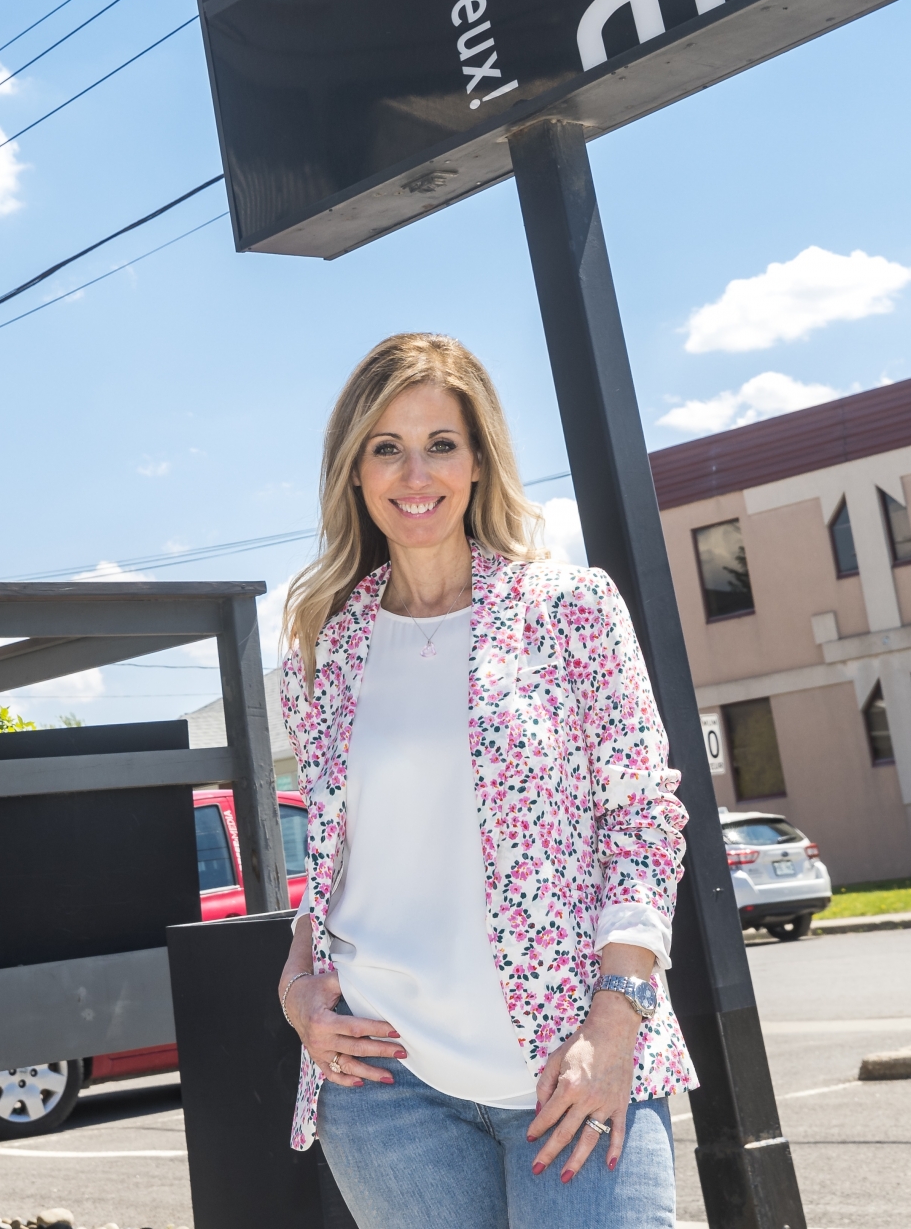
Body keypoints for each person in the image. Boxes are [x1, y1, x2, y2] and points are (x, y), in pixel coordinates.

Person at [273, 333, 693, 1229]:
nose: (413, 473)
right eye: (386, 447)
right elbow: (339, 859)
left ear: (478, 462)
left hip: (571, 1064)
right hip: (385, 1089)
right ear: (355, 471)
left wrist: (615, 1029)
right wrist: (296, 987)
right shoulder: (325, 651)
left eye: (440, 444)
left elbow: (643, 824)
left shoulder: (571, 609)